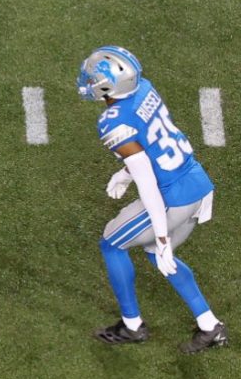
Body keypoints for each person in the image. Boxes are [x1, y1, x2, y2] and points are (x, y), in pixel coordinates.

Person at [78, 47, 224, 352]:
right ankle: (210, 326)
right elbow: (151, 143)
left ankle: (132, 326)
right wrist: (125, 172)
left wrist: (161, 235)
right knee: (153, 253)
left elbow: (148, 183)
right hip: (197, 182)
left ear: (106, 86)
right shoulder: (144, 88)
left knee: (112, 243)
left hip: (172, 199)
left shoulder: (112, 121)